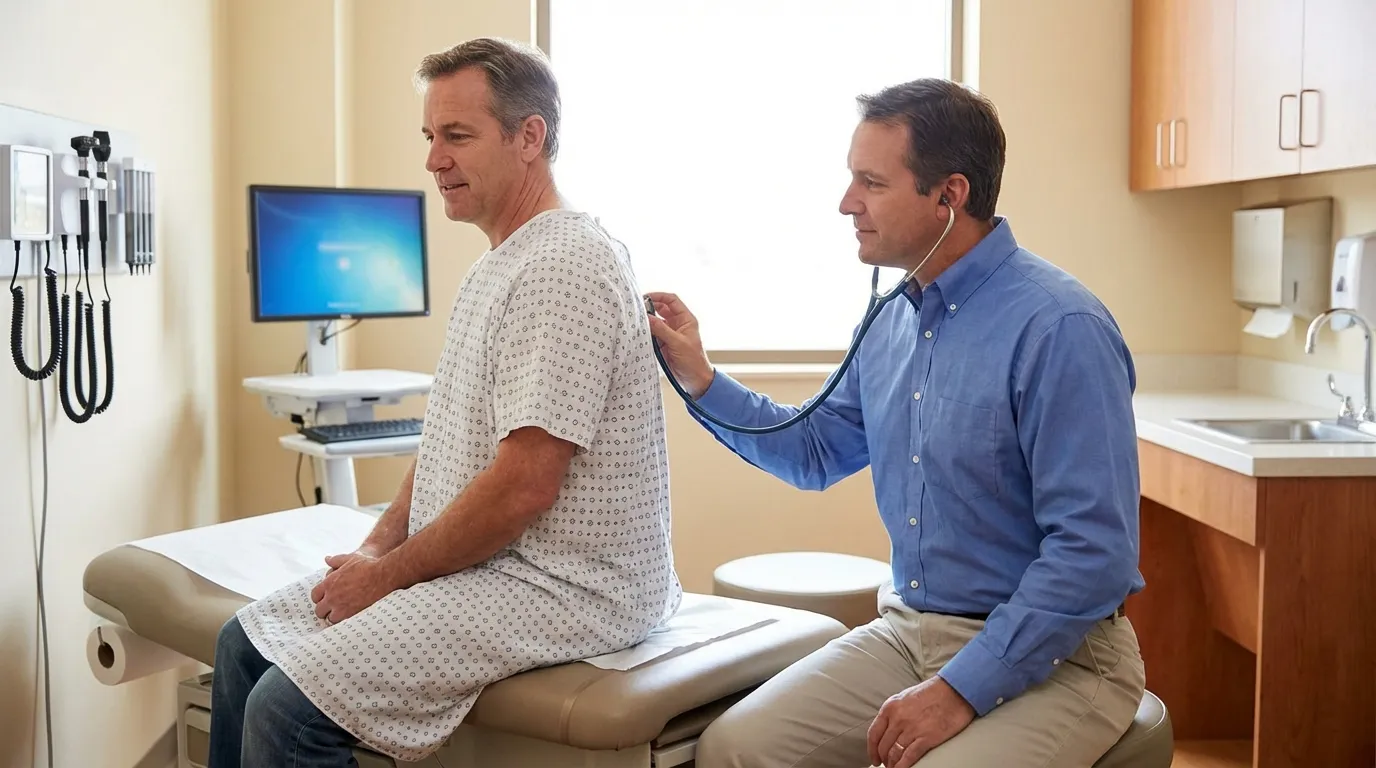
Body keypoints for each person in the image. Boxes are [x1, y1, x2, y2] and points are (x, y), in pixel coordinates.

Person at [206, 37, 682, 766]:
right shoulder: (500, 264)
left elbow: (524, 484)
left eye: (456, 136)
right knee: (243, 645)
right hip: (499, 566)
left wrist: (389, 577)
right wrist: (372, 549)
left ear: (531, 138)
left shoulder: (564, 266)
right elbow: (446, 447)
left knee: (287, 710)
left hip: (571, 588)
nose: (433, 159)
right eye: (430, 137)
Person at [649, 78, 1146, 768]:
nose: (846, 203)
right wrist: (701, 377)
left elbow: (1095, 557)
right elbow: (815, 451)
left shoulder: (1061, 328)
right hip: (912, 634)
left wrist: (960, 689)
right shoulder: (889, 321)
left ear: (950, 195)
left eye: (871, 183)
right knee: (738, 748)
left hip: (1064, 659)